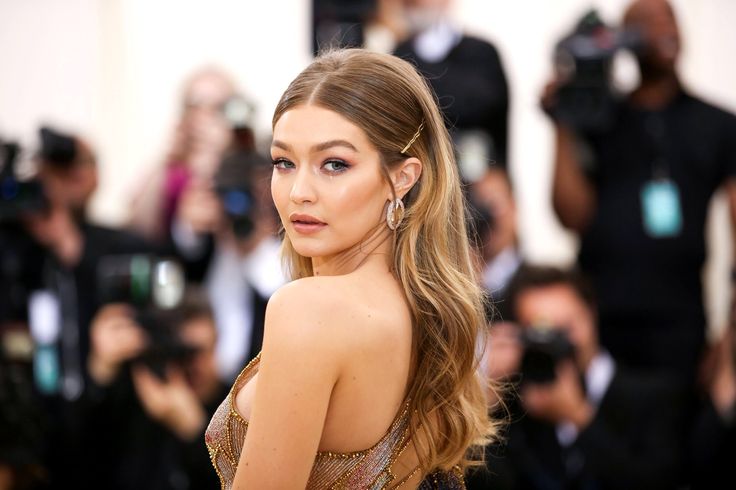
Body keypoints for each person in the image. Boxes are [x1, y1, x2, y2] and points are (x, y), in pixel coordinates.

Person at [204, 48, 500, 489]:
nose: (298, 191)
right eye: (284, 162)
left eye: (335, 164)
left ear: (403, 177)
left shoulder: (308, 309)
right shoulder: (428, 313)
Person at [543, 0, 736, 386]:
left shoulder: (716, 125)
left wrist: (730, 335)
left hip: (680, 320)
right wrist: (564, 121)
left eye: (669, 18)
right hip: (605, 316)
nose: (661, 28)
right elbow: (572, 216)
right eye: (645, 22)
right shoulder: (602, 120)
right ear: (624, 40)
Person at [468, 264, 688, 490]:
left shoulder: (654, 397)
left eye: (565, 329)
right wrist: (485, 398)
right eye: (540, 335)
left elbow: (656, 480)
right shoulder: (514, 411)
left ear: (591, 314)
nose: (557, 346)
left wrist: (578, 417)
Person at [393, 0, 510, 177]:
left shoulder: (480, 52)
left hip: (477, 175)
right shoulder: (399, 54)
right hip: (422, 172)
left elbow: (491, 114)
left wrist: (500, 171)